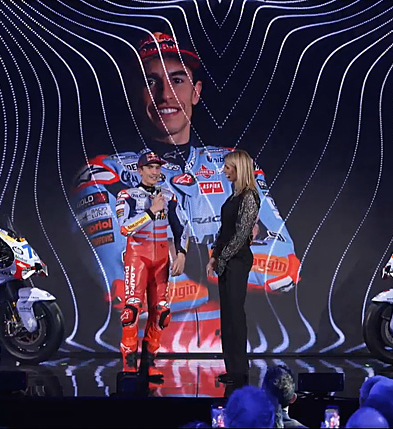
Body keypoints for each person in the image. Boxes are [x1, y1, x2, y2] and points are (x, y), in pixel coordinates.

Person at [70, 31, 300, 353]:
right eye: (151, 82)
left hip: (233, 354)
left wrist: (179, 258)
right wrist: (228, 251)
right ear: (136, 93)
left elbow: (284, 268)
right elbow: (124, 287)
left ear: (196, 92)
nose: (166, 94)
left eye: (177, 80)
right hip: (144, 356)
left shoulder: (235, 163)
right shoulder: (103, 175)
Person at [116, 151, 188, 376]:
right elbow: (125, 228)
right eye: (150, 167)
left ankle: (149, 364)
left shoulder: (169, 196)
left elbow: (181, 227)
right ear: (140, 170)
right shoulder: (127, 195)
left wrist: (181, 254)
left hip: (161, 260)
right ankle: (129, 367)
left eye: (158, 167)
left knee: (162, 313)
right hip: (137, 258)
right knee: (131, 311)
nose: (155, 172)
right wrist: (151, 212)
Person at [204, 149, 260, 384]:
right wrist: (214, 257)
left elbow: (241, 234)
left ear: (239, 169)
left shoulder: (249, 196)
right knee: (227, 315)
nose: (224, 170)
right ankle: (231, 367)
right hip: (226, 260)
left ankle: (240, 369)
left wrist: (223, 258)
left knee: (235, 314)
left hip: (238, 260)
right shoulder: (232, 197)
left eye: (228, 167)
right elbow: (224, 231)